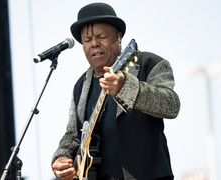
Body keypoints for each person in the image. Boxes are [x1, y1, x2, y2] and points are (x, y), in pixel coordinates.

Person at [51, 2, 180, 180]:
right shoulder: (80, 86)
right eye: (87, 40)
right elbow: (73, 134)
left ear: (118, 37)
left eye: (101, 36)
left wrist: (126, 87)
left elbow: (171, 105)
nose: (94, 44)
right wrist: (62, 157)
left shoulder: (149, 63)